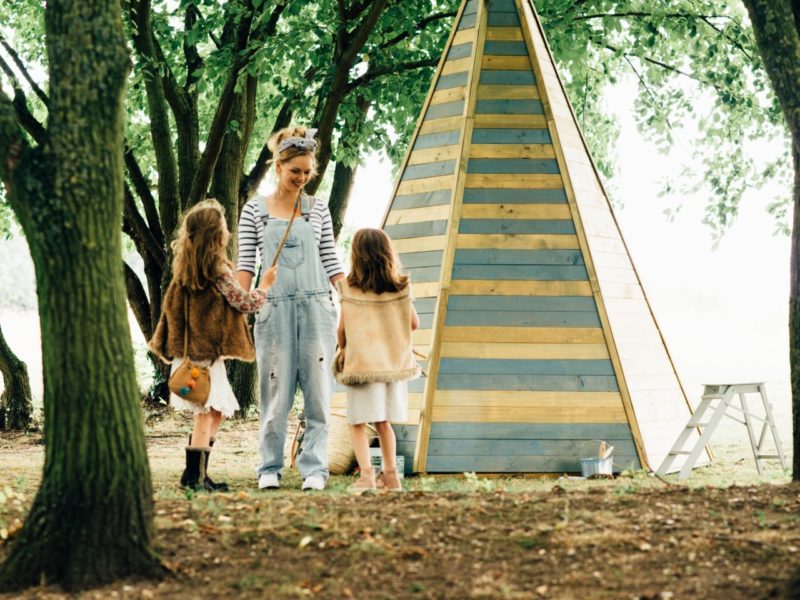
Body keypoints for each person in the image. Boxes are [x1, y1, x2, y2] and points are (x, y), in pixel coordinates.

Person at [237, 126, 344, 491]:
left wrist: (355, 299)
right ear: (278, 166)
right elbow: (245, 266)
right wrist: (237, 306)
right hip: (273, 310)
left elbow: (331, 260)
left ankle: (314, 468)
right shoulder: (254, 210)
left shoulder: (318, 209)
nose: (302, 178)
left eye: (307, 171)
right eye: (295, 170)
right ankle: (269, 466)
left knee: (318, 393)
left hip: (317, 309)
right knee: (275, 390)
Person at [149, 199, 277, 491]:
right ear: (215, 237)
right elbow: (244, 303)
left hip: (190, 358)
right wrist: (265, 284)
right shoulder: (218, 272)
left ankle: (198, 473)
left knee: (214, 412)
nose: (228, 233)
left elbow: (171, 313)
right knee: (205, 415)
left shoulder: (187, 272)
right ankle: (194, 478)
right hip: (202, 361)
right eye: (224, 228)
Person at [335, 228, 420, 493]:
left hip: (362, 365)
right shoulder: (401, 287)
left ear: (356, 255)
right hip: (392, 365)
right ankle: (391, 476)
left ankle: (367, 477)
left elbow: (342, 330)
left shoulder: (349, 288)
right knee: (384, 423)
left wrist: (343, 348)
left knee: (358, 422)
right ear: (387, 254)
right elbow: (414, 323)